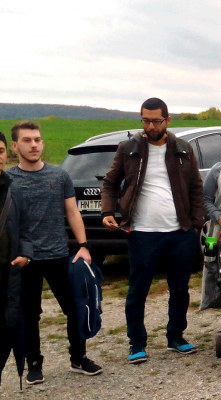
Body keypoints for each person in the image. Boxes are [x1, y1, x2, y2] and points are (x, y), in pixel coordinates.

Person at [102, 97, 204, 364]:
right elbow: (110, 184)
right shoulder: (128, 149)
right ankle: (137, 343)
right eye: (145, 120)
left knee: (180, 289)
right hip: (142, 233)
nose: (150, 126)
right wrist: (107, 212)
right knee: (138, 290)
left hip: (179, 231)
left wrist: (196, 225)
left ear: (167, 121)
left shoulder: (183, 149)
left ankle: (176, 337)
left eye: (156, 121)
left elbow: (196, 187)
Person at [8, 121, 102, 384]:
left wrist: (83, 246)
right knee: (28, 315)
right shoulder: (9, 181)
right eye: (27, 140)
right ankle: (34, 364)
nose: (34, 145)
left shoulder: (58, 176)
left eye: (37, 139)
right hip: (25, 259)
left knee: (74, 309)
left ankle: (78, 358)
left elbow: (73, 212)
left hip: (59, 255)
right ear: (15, 146)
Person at [0, 131, 33, 388]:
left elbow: (25, 229)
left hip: (7, 276)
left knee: (6, 334)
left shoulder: (14, 189)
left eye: (0, 152)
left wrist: (25, 254)